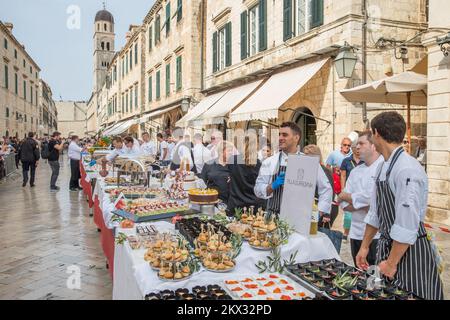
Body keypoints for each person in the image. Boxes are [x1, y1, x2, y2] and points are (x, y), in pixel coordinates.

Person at [356, 112, 443, 300]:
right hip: (386, 248)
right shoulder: (382, 167)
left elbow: (407, 224)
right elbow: (375, 213)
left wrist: (391, 263)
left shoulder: (407, 169)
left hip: (408, 253)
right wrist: (364, 247)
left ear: (376, 133)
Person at [254, 122, 333, 218]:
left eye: (285, 135)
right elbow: (257, 189)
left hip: (300, 219)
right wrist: (272, 186)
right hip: (273, 219)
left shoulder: (309, 162)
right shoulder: (269, 162)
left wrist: (318, 213)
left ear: (296, 138)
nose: (280, 138)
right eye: (279, 134)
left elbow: (326, 189)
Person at [337, 131, 383, 266]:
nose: (357, 147)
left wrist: (346, 196)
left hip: (376, 236)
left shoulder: (382, 167)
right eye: (356, 144)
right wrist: (362, 203)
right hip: (355, 232)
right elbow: (344, 205)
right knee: (359, 273)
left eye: (361, 144)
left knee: (375, 276)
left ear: (373, 146)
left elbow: (374, 201)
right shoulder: (356, 171)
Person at [227, 136, 265, 216]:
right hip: (253, 207)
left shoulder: (232, 160)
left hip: (235, 205)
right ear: (257, 147)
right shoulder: (259, 165)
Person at [303, 144, 339, 228]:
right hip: (315, 207)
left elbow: (330, 191)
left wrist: (327, 214)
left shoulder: (324, 171)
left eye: (307, 155)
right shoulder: (309, 169)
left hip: (325, 209)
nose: (305, 158)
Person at [340, 140, 363, 240]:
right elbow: (343, 176)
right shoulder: (346, 161)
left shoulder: (364, 160)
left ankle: (360, 231)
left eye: (359, 149)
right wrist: (342, 190)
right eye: (356, 148)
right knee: (348, 213)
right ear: (352, 149)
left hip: (361, 189)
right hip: (349, 189)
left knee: (360, 210)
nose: (358, 151)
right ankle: (346, 232)